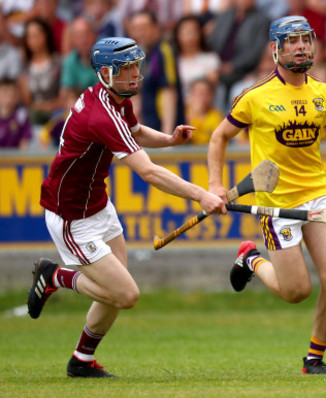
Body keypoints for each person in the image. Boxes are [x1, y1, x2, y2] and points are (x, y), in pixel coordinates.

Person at [27, 36, 226, 378]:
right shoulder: (100, 115)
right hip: (71, 217)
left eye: (136, 66)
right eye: (126, 69)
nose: (135, 74)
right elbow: (148, 172)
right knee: (125, 294)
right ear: (105, 72)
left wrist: (168, 139)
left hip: (99, 205)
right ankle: (55, 276)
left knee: (115, 289)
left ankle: (82, 361)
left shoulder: (115, 99)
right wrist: (201, 195)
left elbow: (132, 131)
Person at [207, 16, 326, 374]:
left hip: (319, 196)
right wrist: (215, 186)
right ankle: (251, 259)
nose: (300, 47)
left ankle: (314, 358)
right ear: (275, 49)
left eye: (305, 40)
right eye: (291, 41)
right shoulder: (255, 96)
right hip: (276, 204)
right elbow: (219, 137)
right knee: (295, 291)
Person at [0, 77, 32, 150]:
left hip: (15, 159)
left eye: (12, 93)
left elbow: (24, 144)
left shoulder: (22, 116)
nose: (8, 96)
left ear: (17, 96)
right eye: (5, 92)